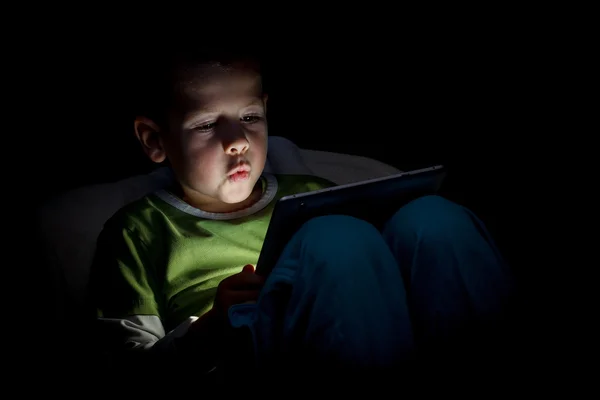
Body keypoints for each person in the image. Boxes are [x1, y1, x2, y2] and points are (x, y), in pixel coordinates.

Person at [88, 47, 516, 385]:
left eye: (250, 117)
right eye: (205, 125)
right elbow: (127, 371)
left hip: (375, 327)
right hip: (245, 358)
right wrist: (211, 327)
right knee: (336, 240)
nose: (237, 141)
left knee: (433, 221)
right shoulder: (138, 232)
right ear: (154, 139)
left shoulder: (311, 195)